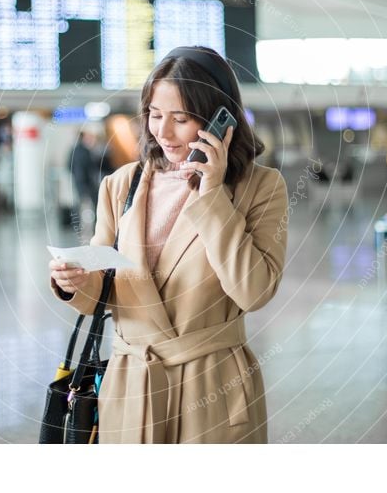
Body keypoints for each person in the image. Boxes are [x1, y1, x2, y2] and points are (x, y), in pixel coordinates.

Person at [49, 46, 288, 443]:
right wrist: (73, 281)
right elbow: (103, 288)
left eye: (181, 118)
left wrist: (211, 193)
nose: (163, 131)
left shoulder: (260, 188)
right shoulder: (120, 185)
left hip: (213, 387)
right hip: (131, 388)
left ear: (218, 120)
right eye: (155, 116)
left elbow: (255, 289)